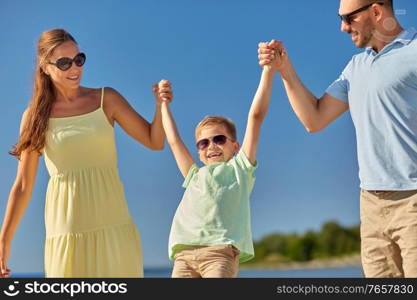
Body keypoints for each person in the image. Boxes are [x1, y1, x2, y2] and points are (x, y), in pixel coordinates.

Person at [258, 0, 417, 277]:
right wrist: (285, 70)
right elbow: (314, 118)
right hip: (371, 205)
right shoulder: (356, 67)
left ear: (376, 11)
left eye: (348, 18)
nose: (343, 27)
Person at [0, 29, 172, 278]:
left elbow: (154, 141)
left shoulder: (106, 99)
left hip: (114, 224)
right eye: (64, 62)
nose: (75, 68)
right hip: (67, 229)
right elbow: (24, 185)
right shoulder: (34, 117)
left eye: (79, 59)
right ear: (45, 67)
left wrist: (160, 106)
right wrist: (4, 241)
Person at [158, 50, 278, 278]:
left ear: (235, 146)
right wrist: (163, 103)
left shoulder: (240, 169)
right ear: (199, 152)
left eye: (219, 139)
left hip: (219, 254)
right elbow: (173, 140)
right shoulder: (193, 175)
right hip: (183, 256)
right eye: (203, 143)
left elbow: (256, 116)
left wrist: (268, 70)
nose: (211, 146)